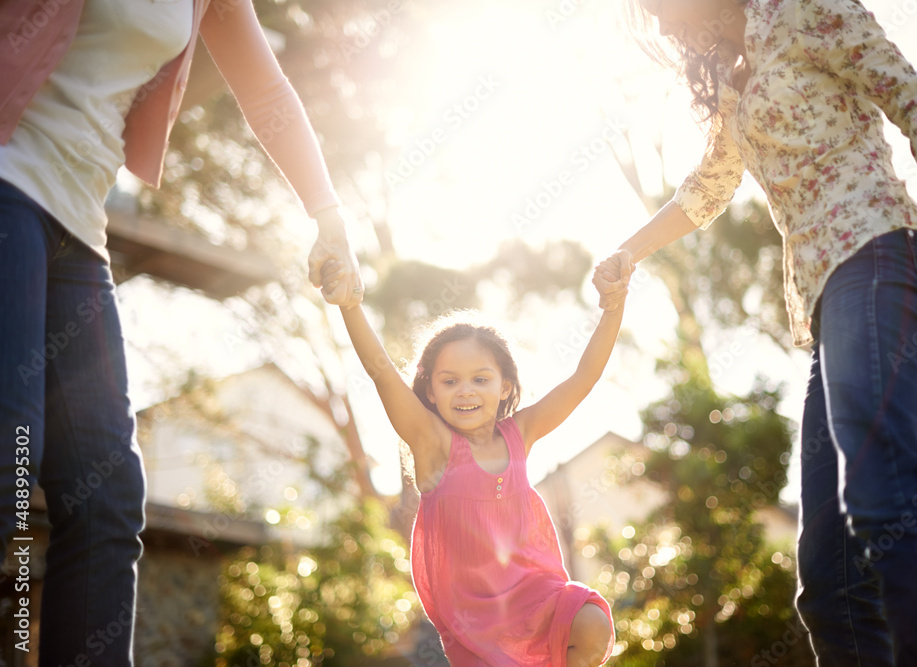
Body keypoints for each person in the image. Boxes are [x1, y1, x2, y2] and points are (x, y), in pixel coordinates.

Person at [593, 0, 917, 664]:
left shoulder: (807, 10)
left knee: (882, 485)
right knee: (829, 579)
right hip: (828, 304)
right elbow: (705, 189)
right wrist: (627, 253)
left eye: (661, 5)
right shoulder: (733, 82)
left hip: (882, 255)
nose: (662, 24)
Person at [0, 0, 363, 662]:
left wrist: (327, 214)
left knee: (106, 497)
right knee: (8, 454)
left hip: (78, 228)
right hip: (6, 184)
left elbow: (266, 88)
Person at [320, 258, 621, 666]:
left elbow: (583, 377)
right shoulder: (434, 445)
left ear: (505, 386)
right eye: (450, 381)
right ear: (430, 390)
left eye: (480, 379)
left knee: (591, 624)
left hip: (536, 593)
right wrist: (349, 305)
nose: (466, 391)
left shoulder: (521, 433)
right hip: (476, 620)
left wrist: (613, 304)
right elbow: (383, 374)